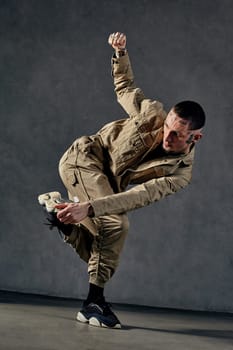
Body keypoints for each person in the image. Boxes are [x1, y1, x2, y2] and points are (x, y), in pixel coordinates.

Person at [38, 32, 205, 329]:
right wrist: (121, 53)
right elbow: (125, 87)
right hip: (84, 159)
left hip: (105, 184)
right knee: (116, 225)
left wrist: (89, 208)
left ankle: (62, 218)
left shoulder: (180, 174)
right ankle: (93, 302)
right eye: (168, 127)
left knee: (100, 247)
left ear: (196, 137)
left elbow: (139, 196)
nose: (167, 136)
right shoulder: (152, 112)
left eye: (178, 135)